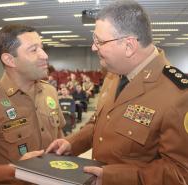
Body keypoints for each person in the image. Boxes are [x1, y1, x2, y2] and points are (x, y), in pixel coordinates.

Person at [46, 1, 188, 184]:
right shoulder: (114, 74)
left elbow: (179, 173)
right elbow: (99, 121)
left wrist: (115, 178)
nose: (93, 47)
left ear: (129, 46)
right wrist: (72, 143)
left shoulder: (179, 95)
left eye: (100, 41)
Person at [0, 24, 65, 185]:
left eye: (42, 48)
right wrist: (17, 171)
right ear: (10, 59)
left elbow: (59, 137)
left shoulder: (49, 91)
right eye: (33, 50)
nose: (44, 55)